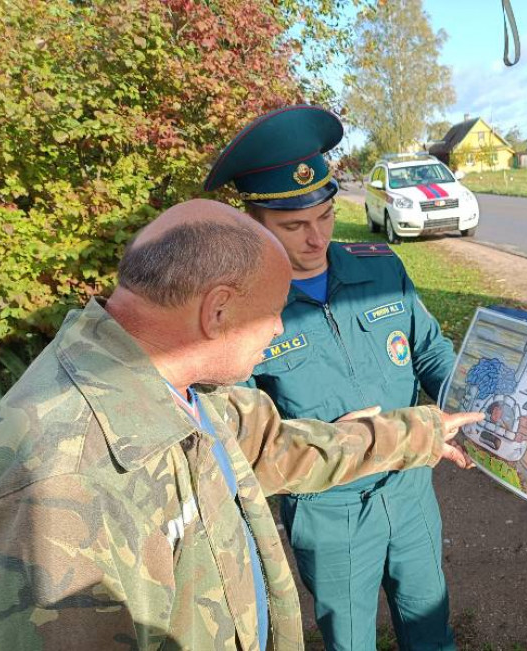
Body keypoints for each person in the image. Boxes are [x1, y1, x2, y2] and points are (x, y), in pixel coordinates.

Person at [0, 199, 482, 649]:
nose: (277, 328)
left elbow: (274, 445)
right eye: (272, 313)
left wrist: (421, 433)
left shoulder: (177, 382)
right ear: (218, 312)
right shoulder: (65, 481)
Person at [204, 106, 461, 650]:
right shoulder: (241, 315)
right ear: (254, 224)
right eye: (294, 226)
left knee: (431, 629)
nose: (316, 237)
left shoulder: (380, 268)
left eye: (324, 216)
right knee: (350, 642)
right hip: (330, 511)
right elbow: (248, 443)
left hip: (411, 487)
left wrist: (470, 397)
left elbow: (431, 351)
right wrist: (336, 439)